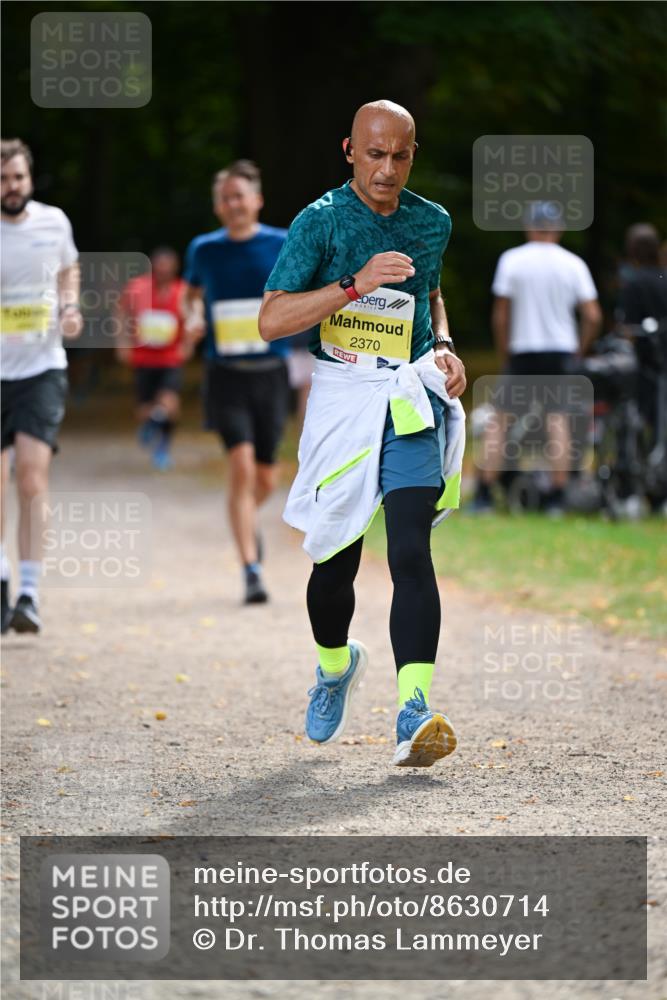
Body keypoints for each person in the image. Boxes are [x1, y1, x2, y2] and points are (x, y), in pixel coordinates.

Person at [259, 100, 467, 768]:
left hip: (409, 394)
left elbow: (430, 293)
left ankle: (414, 711)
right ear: (349, 150)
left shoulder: (431, 221)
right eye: (374, 154)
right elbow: (271, 320)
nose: (386, 169)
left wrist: (445, 347)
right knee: (334, 562)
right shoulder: (318, 223)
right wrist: (353, 284)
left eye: (399, 155)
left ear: (413, 153)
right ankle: (332, 666)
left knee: (409, 550)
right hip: (342, 398)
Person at [182, 160, 290, 604]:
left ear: (257, 200)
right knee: (241, 465)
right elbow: (191, 297)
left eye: (239, 196)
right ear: (217, 206)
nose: (233, 204)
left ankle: (245, 520)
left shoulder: (282, 243)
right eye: (224, 198)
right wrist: (191, 319)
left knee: (266, 477)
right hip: (225, 375)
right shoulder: (204, 250)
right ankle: (251, 569)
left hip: (271, 375)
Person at [471, 201, 602, 516]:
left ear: (530, 227)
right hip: (560, 351)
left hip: (523, 350)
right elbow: (593, 316)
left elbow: (501, 315)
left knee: (500, 420)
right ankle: (556, 498)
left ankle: (485, 495)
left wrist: (505, 352)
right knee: (557, 421)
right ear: (557, 229)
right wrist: (579, 350)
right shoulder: (573, 264)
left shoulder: (512, 260)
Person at [1, 138, 82, 634]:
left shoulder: (54, 222)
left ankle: (28, 593)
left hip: (41, 368)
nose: (12, 188)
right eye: (4, 180)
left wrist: (69, 305)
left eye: (18, 178)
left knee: (31, 478)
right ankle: (2, 578)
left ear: (30, 180)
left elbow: (69, 268)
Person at [115, 247, 187, 470]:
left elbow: (193, 318)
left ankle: (163, 447)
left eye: (168, 266)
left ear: (175, 268)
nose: (163, 270)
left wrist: (189, 343)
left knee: (169, 402)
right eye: (160, 265)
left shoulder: (182, 291)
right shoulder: (138, 288)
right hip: (143, 358)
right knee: (144, 408)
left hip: (170, 358)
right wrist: (122, 342)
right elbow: (120, 313)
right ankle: (151, 423)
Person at [616, 223, 667, 511]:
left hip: (642, 368)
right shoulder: (664, 280)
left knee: (635, 426)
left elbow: (626, 328)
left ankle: (631, 490)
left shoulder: (634, 283)